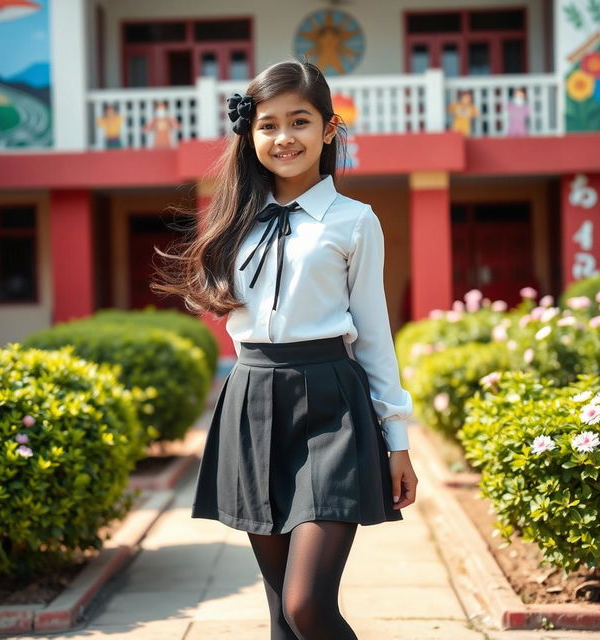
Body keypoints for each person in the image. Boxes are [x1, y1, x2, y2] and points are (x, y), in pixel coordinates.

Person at [150, 58, 418, 640]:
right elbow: (223, 306)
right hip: (252, 401)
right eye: (268, 124)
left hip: (333, 405)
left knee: (307, 606)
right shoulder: (233, 220)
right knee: (280, 615)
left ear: (327, 130)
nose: (283, 137)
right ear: (251, 135)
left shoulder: (354, 222)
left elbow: (373, 334)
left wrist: (397, 440)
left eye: (299, 122)